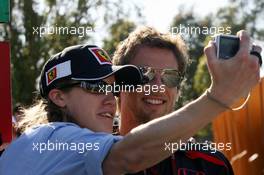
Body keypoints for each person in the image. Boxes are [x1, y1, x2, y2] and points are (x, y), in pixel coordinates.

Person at [0, 34, 259, 175]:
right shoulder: (53, 138)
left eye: (112, 87)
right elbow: (132, 154)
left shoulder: (208, 163)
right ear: (59, 97)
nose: (108, 97)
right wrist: (219, 96)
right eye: (96, 87)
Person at [112, 26, 262, 174]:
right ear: (118, 84)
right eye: (144, 74)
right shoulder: (94, 154)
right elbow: (130, 156)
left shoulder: (211, 165)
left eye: (170, 76)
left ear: (178, 90)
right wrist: (221, 96)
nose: (158, 86)